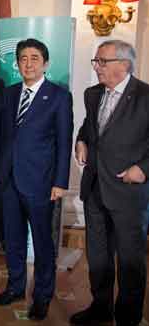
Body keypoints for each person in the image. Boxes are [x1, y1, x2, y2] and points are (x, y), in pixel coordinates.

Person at [0, 38, 73, 320]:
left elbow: (64, 143)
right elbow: (4, 138)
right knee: (12, 239)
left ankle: (42, 296)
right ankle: (15, 286)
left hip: (41, 182)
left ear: (46, 63)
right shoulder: (10, 94)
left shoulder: (59, 96)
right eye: (23, 58)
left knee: (42, 243)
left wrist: (60, 182)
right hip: (9, 180)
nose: (28, 63)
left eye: (34, 58)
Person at [71, 40, 149, 326]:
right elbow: (89, 128)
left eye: (102, 62)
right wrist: (81, 141)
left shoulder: (145, 96)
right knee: (99, 257)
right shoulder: (92, 94)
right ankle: (100, 307)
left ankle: (127, 317)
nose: (96, 67)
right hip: (95, 190)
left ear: (124, 64)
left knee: (130, 262)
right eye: (96, 61)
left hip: (129, 194)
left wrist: (143, 169)